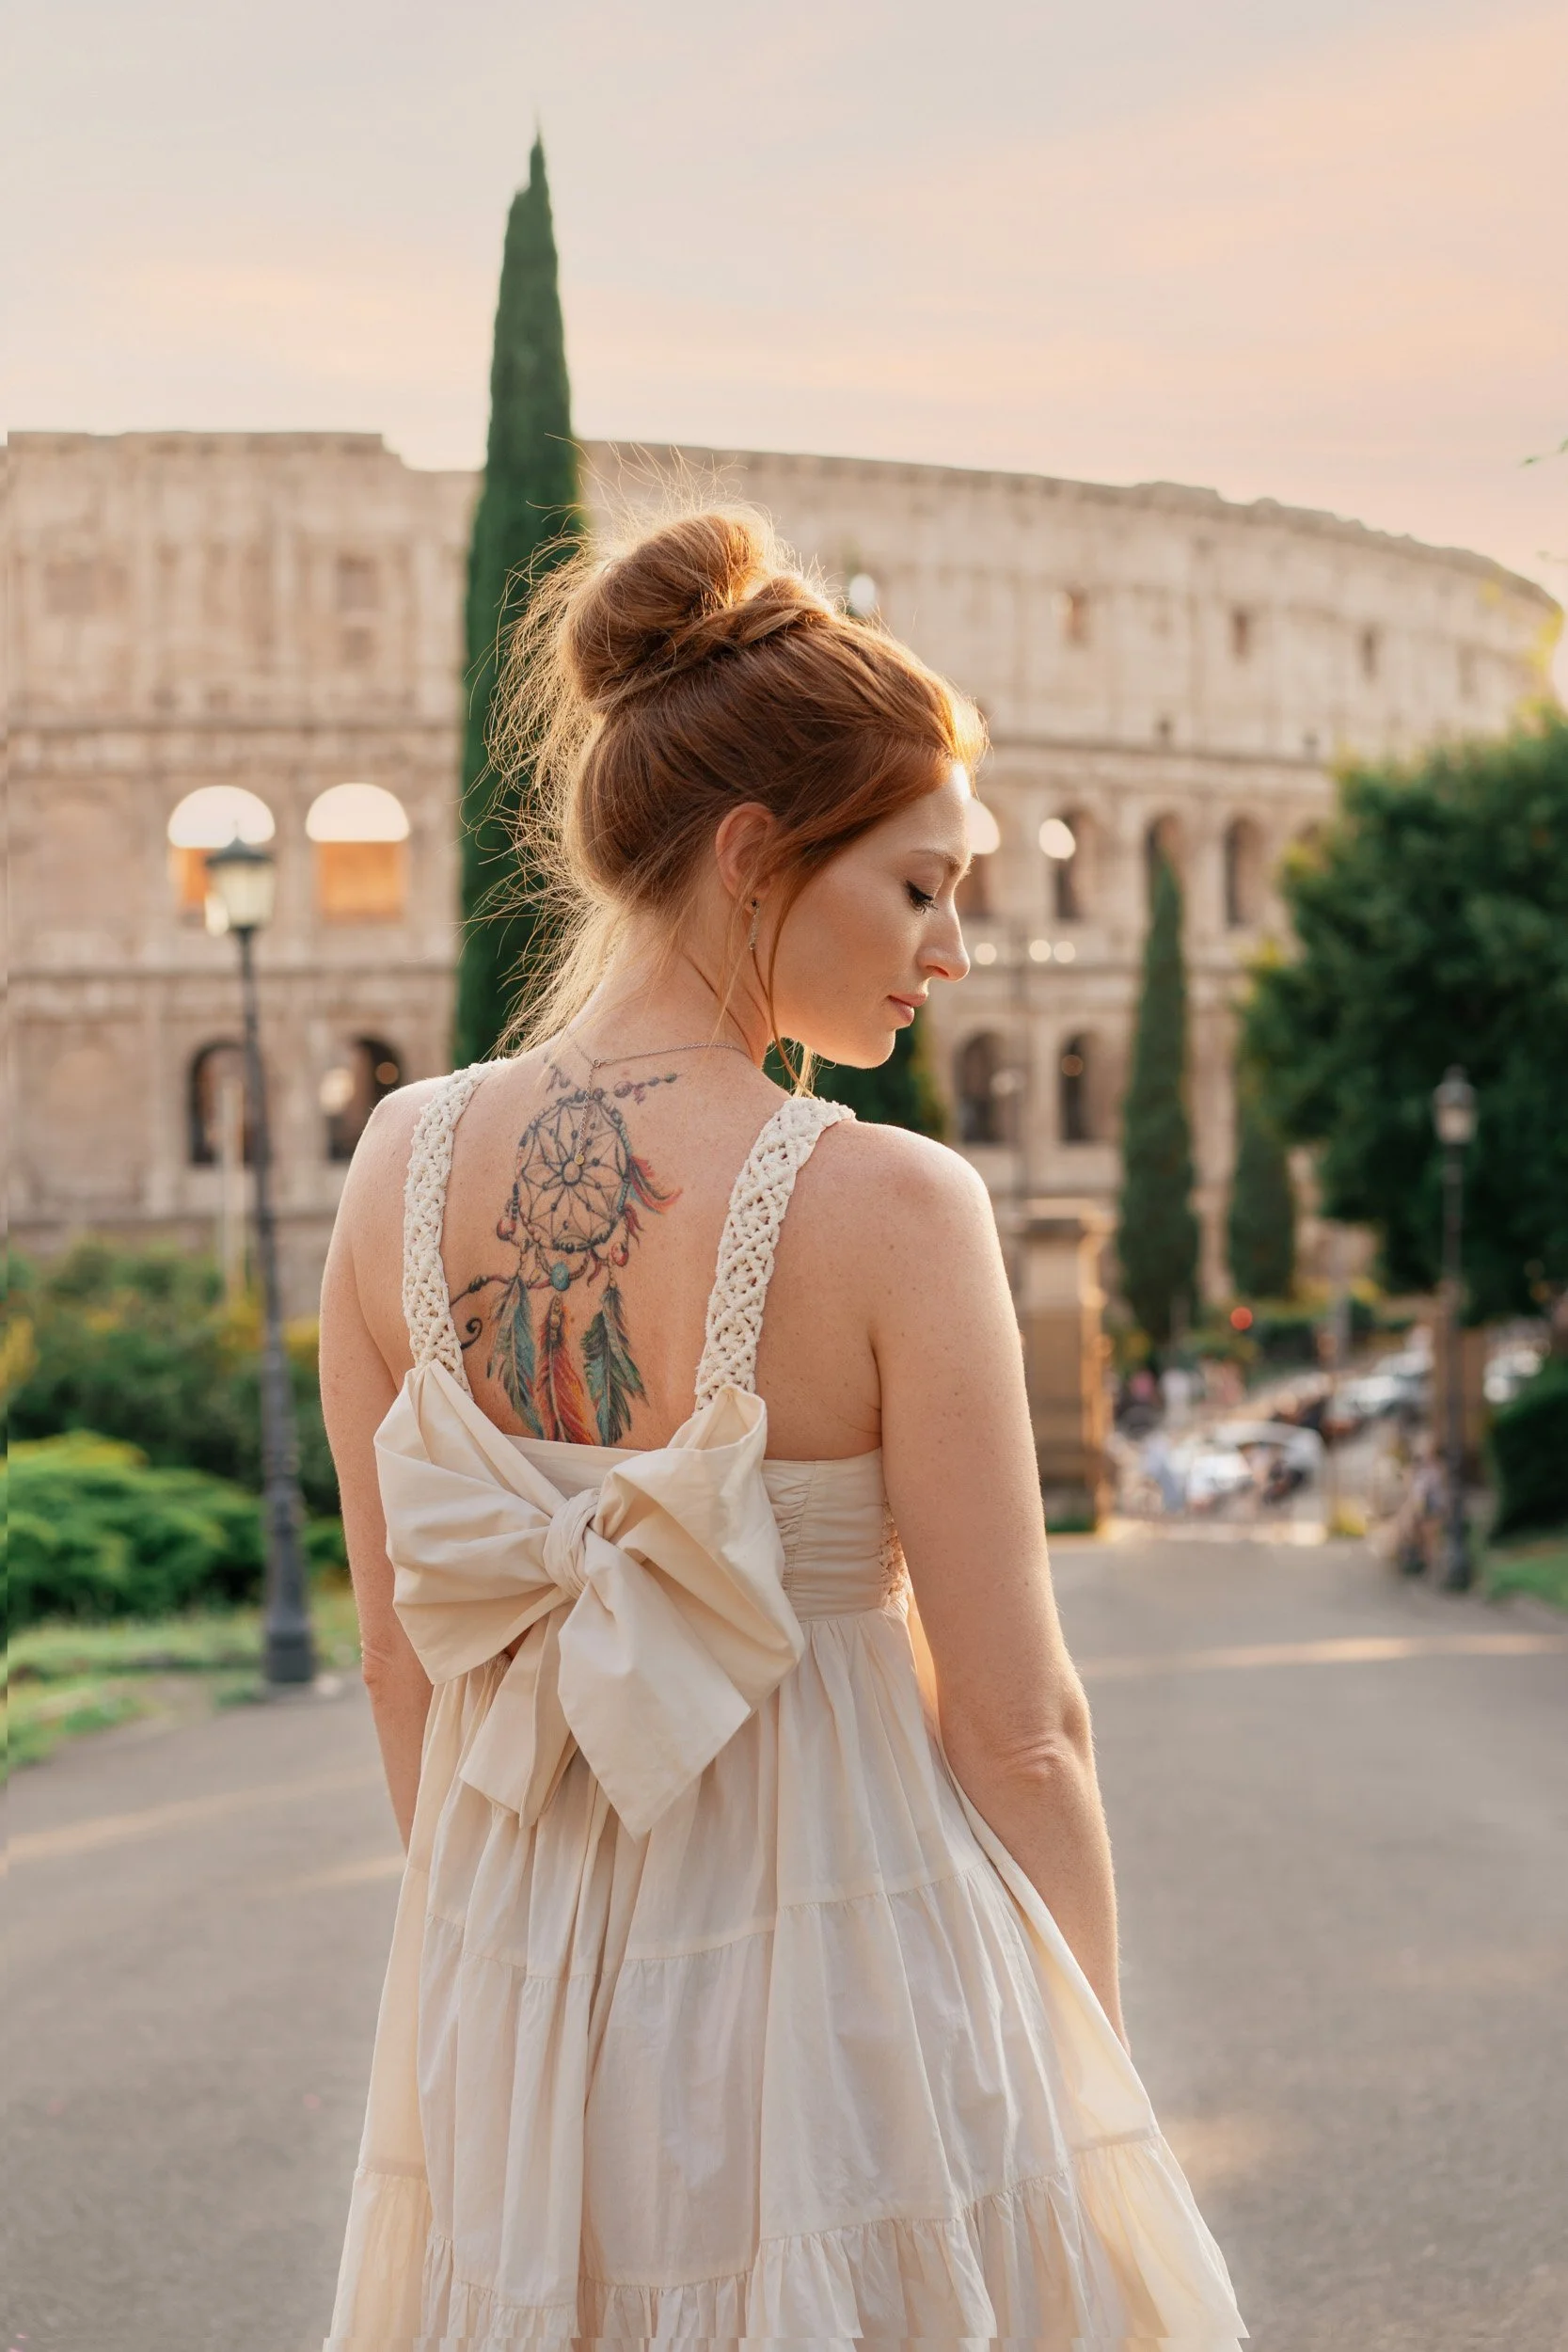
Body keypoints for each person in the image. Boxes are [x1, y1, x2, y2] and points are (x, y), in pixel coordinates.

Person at [320, 509, 1244, 2345]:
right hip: (857, 1983)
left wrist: (489, 1975)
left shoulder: (393, 1166)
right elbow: (1018, 1729)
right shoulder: (891, 1204)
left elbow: (398, 1665)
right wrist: (1083, 2070)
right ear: (755, 856)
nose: (952, 949)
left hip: (511, 1993)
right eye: (917, 885)